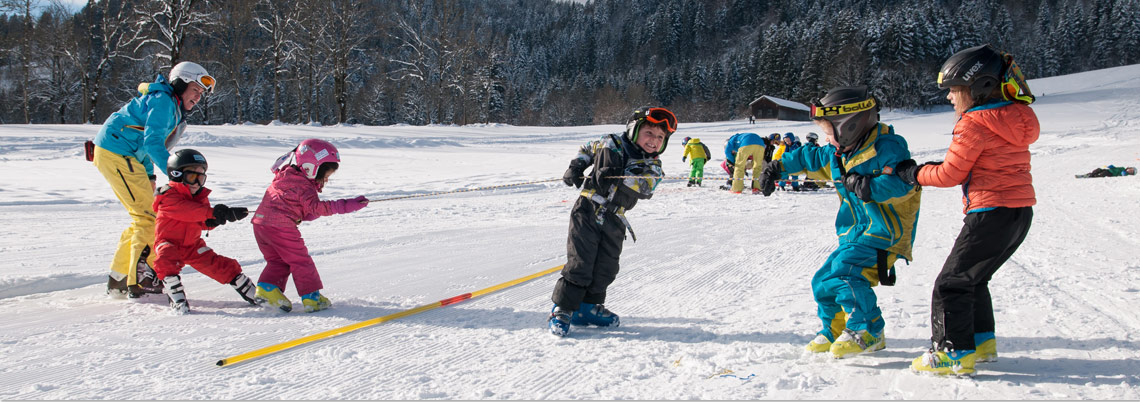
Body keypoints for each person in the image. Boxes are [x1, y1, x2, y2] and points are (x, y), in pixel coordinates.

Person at [894, 44, 1039, 376]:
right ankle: (980, 342)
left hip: (990, 211)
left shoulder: (974, 123)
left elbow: (949, 174)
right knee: (975, 279)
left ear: (980, 88)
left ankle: (952, 352)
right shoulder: (1016, 117)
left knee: (951, 283)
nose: (949, 99)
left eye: (954, 91)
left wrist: (913, 173)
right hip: (1019, 213)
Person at [758, 86, 921, 359]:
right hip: (855, 234)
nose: (826, 138)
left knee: (844, 273)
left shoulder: (887, 147)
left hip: (885, 233)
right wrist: (776, 168)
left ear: (850, 125)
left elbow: (901, 184)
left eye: (828, 131)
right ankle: (835, 329)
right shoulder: (838, 153)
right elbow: (808, 156)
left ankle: (869, 330)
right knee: (822, 281)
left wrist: (867, 186)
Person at [92, 61, 215, 298]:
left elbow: (145, 142)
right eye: (195, 90)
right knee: (148, 217)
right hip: (117, 151)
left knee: (146, 215)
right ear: (180, 84)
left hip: (127, 155)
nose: (198, 97)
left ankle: (119, 278)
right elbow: (151, 142)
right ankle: (140, 278)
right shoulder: (164, 102)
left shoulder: (170, 106)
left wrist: (150, 175)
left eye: (201, 94)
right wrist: (176, 175)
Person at [552, 107, 676, 337]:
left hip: (615, 217)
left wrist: (618, 175)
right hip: (588, 209)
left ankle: (588, 307)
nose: (654, 141)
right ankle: (563, 308)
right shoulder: (610, 143)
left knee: (607, 266)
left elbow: (645, 187)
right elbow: (587, 149)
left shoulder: (654, 165)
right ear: (633, 129)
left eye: (660, 137)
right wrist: (577, 165)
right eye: (649, 133)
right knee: (581, 261)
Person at [251, 139, 370, 313]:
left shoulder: (285, 177)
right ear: (311, 167)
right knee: (301, 261)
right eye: (325, 175)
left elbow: (293, 204)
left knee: (278, 260)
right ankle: (312, 298)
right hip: (281, 227)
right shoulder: (303, 186)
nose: (326, 180)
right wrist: (348, 205)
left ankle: (267, 289)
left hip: (260, 225)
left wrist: (305, 213)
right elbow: (318, 208)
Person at [152, 149, 257, 314]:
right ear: (177, 174)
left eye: (201, 178)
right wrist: (212, 212)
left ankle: (249, 289)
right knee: (166, 258)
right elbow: (187, 211)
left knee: (217, 264)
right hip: (168, 243)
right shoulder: (168, 196)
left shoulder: (199, 197)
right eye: (193, 177)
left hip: (193, 245)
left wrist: (217, 219)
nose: (197, 183)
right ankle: (175, 296)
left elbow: (202, 221)